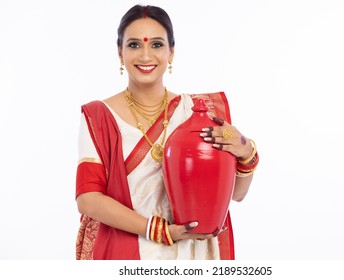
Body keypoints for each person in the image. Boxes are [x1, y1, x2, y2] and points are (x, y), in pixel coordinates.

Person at [75, 4, 259, 260]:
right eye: (134, 45)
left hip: (190, 255)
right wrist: (157, 230)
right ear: (120, 53)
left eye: (157, 45)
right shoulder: (100, 116)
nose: (146, 56)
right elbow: (88, 199)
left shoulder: (198, 112)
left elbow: (235, 195)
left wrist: (248, 155)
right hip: (130, 252)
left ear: (171, 52)